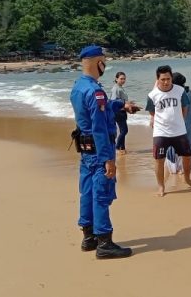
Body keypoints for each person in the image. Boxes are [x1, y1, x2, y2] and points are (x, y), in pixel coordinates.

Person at [70, 45, 137, 259]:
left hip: (86, 150)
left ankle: (88, 237)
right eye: (104, 62)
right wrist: (108, 159)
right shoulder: (95, 91)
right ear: (98, 62)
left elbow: (103, 107)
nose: (105, 65)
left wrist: (121, 105)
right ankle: (105, 243)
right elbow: (99, 128)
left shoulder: (79, 86)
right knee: (101, 194)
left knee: (87, 192)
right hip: (100, 150)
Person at [146, 65, 191, 196]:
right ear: (157, 79)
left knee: (187, 156)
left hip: (179, 131)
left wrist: (178, 121)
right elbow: (152, 112)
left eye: (168, 79)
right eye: (163, 79)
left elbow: (185, 107)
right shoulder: (152, 95)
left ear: (171, 78)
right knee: (159, 159)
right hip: (161, 133)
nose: (166, 82)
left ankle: (187, 179)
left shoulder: (180, 91)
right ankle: (161, 186)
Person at [109, 71, 131, 154]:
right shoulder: (116, 88)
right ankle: (117, 147)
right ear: (116, 79)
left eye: (124, 79)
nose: (123, 80)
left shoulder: (120, 87)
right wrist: (125, 104)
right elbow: (114, 101)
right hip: (118, 112)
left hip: (122, 111)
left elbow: (122, 100)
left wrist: (129, 104)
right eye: (121, 79)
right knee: (125, 131)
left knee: (122, 130)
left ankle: (122, 148)